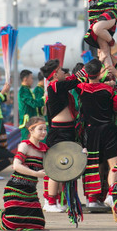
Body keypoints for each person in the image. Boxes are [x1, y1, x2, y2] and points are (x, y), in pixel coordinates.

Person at [77, 59, 117, 209]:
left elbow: (77, 78)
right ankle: (112, 195)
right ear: (100, 73)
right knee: (114, 164)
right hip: (108, 129)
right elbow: (115, 106)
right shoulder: (108, 90)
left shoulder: (81, 88)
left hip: (91, 130)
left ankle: (92, 199)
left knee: (93, 164)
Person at [41, 59, 81, 212]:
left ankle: (59, 200)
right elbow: (74, 81)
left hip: (67, 129)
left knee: (65, 165)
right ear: (55, 74)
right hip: (60, 131)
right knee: (56, 166)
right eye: (61, 70)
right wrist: (86, 72)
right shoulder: (54, 85)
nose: (64, 72)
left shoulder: (58, 86)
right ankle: (50, 202)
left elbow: (72, 80)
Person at [0, 117, 48, 231]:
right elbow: (16, 166)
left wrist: (80, 153)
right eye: (40, 129)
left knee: (38, 224)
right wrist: (35, 173)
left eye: (45, 129)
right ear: (31, 130)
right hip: (15, 189)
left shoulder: (44, 149)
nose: (44, 132)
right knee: (12, 224)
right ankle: (2, 216)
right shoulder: (24, 145)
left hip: (30, 192)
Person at [18, 69, 43, 140]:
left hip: (31, 121)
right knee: (27, 143)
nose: (32, 80)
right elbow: (33, 103)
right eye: (31, 78)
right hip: (27, 122)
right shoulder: (23, 91)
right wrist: (44, 99)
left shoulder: (27, 90)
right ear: (25, 79)